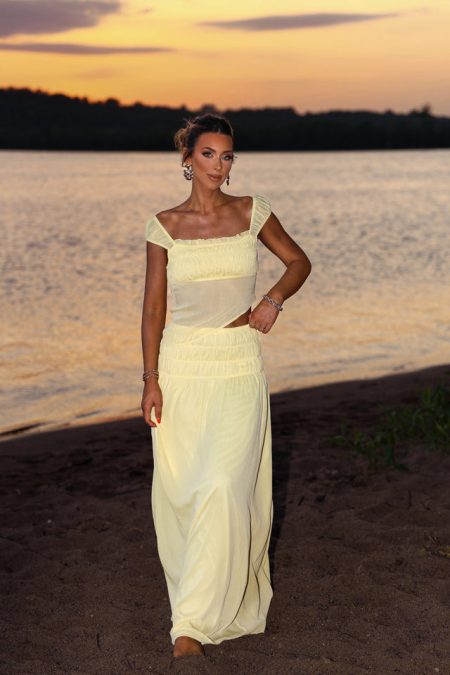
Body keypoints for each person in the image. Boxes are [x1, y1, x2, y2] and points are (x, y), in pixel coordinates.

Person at [141, 113, 312, 659]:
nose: (219, 165)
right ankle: (197, 607)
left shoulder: (252, 212)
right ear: (187, 158)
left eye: (228, 155)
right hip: (182, 367)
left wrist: (273, 300)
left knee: (222, 485)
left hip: (238, 363)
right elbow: (153, 309)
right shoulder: (163, 226)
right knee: (187, 492)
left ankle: (188, 628)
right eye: (209, 154)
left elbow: (298, 262)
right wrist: (150, 380)